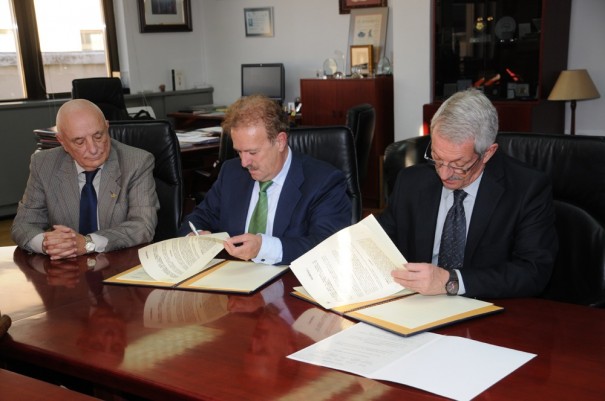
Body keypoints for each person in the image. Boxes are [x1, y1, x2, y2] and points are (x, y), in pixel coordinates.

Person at [378, 89, 557, 298]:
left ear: (487, 153)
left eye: (458, 165)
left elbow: (533, 272)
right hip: (417, 305)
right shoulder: (411, 182)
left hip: (485, 309)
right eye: (437, 158)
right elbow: (379, 241)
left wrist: (451, 281)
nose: (444, 173)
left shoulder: (526, 189)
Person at [178, 94, 351, 265]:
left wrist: (265, 247)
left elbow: (329, 247)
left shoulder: (323, 182)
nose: (244, 162)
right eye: (239, 151)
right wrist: (195, 235)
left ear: (280, 142)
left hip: (288, 284)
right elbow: (197, 218)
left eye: (252, 152)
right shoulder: (231, 172)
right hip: (232, 282)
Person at [11, 99, 159, 259]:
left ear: (107, 127)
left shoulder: (136, 162)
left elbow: (143, 226)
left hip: (117, 262)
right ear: (62, 142)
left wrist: (88, 243)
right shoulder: (44, 164)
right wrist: (48, 244)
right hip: (67, 270)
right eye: (79, 141)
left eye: (98, 136)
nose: (94, 149)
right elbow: (23, 224)